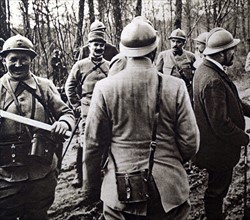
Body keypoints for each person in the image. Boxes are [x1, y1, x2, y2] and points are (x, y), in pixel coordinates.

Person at [83, 19, 199, 219]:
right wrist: (169, 162)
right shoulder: (176, 86)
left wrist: (92, 187)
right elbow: (190, 142)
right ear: (155, 51)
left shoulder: (104, 88)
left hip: (120, 191)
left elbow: (93, 145)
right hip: (169, 192)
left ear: (123, 52)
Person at [0, 34, 75, 219]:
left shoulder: (44, 86)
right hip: (6, 175)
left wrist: (63, 124)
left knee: (38, 214)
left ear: (31, 60)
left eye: (23, 59)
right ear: (4, 60)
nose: (18, 64)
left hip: (42, 170)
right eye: (13, 59)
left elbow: (67, 113)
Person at [193, 27, 250, 220]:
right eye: (231, 50)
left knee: (216, 189)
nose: (234, 53)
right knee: (216, 192)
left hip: (213, 147)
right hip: (218, 151)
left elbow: (232, 101)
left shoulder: (206, 69)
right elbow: (220, 123)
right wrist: (243, 137)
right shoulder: (213, 80)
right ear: (221, 54)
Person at [65, 30, 110, 187]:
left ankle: (102, 174)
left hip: (105, 111)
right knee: (84, 143)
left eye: (101, 45)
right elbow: (69, 86)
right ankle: (80, 175)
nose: (98, 48)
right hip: (86, 110)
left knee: (105, 141)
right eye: (95, 44)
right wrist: (76, 104)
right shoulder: (81, 65)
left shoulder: (109, 66)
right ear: (89, 46)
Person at [156, 28, 196, 100]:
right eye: (173, 41)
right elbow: (157, 77)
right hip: (168, 94)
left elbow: (195, 77)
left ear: (184, 43)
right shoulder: (163, 55)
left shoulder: (191, 57)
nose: (175, 44)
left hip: (186, 93)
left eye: (178, 42)